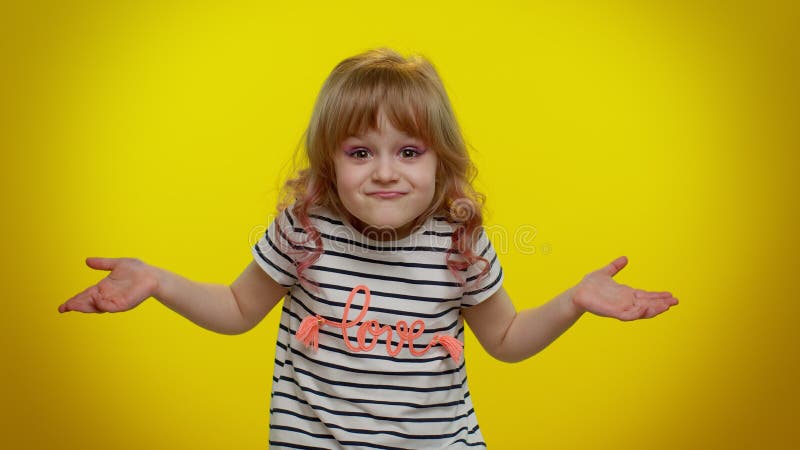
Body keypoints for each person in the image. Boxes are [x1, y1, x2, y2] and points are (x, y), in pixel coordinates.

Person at [58, 48, 679, 449]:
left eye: (408, 151)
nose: (385, 172)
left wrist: (574, 300)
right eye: (361, 152)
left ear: (443, 160)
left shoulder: (460, 242)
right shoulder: (304, 230)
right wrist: (158, 281)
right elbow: (237, 310)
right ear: (330, 163)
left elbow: (507, 340)